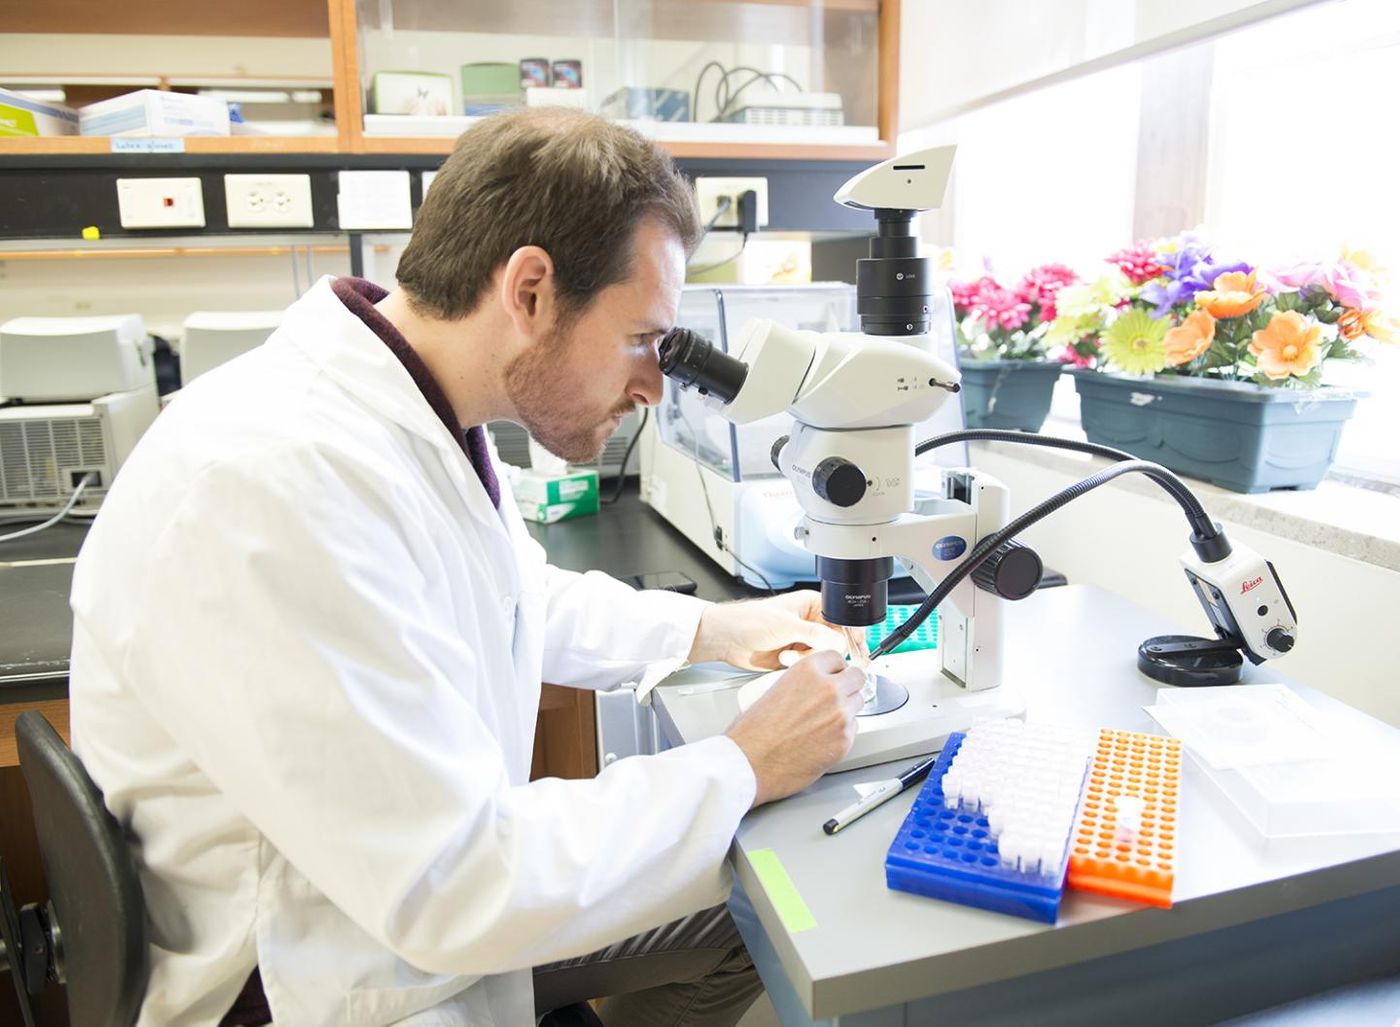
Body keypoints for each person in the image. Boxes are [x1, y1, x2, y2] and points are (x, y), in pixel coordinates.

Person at [68, 108, 866, 1026]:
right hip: (326, 976)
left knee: (747, 905)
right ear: (529, 290)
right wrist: (744, 762)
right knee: (754, 865)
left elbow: (507, 593)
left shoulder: (412, 408)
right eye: (642, 338)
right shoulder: (270, 482)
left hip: (405, 905)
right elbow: (455, 885)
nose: (653, 384)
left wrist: (714, 628)